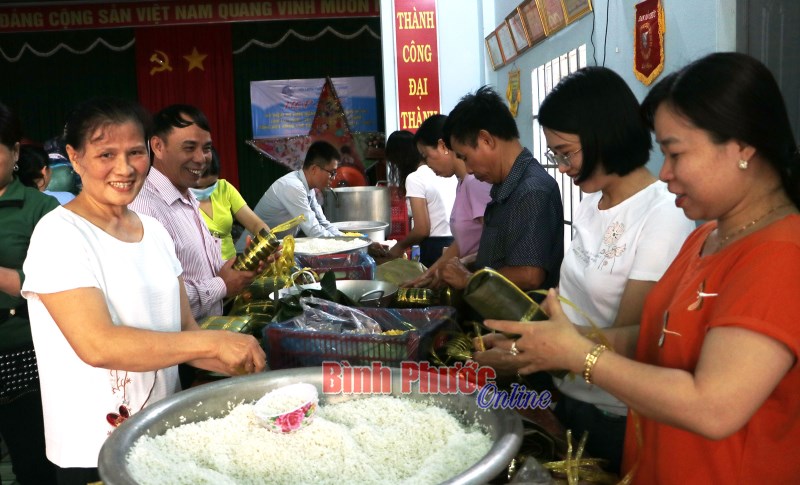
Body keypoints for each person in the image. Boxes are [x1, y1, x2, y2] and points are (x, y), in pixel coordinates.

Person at [475, 52, 800, 484]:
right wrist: (553, 341)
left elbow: (714, 406)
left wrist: (579, 355)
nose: (664, 173)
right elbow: (653, 338)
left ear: (742, 146)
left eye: (675, 152)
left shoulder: (780, 254)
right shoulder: (708, 239)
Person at [21, 97, 266, 484]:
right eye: (106, 154)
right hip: (93, 450)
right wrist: (212, 345)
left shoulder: (154, 232)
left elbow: (185, 334)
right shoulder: (59, 235)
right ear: (75, 156)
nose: (124, 168)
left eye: (135, 152)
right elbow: (98, 345)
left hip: (163, 434)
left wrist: (243, 369)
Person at [472, 67, 694, 474]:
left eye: (566, 152)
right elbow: (575, 304)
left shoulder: (663, 213)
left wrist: (526, 352)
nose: (561, 166)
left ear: (603, 136)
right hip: (564, 391)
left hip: (612, 413)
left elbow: (633, 338)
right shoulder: (593, 200)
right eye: (555, 154)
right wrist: (521, 335)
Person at [129, 104, 260, 322]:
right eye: (189, 148)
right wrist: (221, 285)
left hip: (209, 335)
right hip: (179, 350)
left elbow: (204, 269)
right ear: (158, 146)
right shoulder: (144, 209)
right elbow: (155, 299)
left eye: (206, 148)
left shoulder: (187, 195)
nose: (201, 159)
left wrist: (243, 266)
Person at [440, 86, 564, 291]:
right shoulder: (506, 186)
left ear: (486, 140)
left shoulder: (532, 191)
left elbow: (529, 274)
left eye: (465, 157)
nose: (468, 169)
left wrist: (469, 279)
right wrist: (469, 263)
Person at [0, 102, 58, 484]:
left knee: (34, 464)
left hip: (22, 353)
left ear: (16, 153)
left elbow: (48, 286)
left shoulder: (42, 209)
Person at [403, 114, 492, 288]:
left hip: (481, 283)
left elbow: (493, 242)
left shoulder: (474, 184)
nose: (427, 164)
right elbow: (462, 243)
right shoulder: (462, 183)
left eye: (426, 155)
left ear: (443, 146)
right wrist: (428, 274)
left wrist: (462, 265)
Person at [242, 140, 346, 241]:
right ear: (314, 169)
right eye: (332, 172)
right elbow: (314, 231)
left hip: (274, 252)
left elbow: (323, 223)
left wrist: (349, 239)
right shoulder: (293, 186)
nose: (333, 177)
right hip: (249, 254)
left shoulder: (309, 189)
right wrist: (344, 243)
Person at [385, 130, 458, 267]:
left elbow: (422, 229)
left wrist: (399, 247)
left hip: (435, 248)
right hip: (456, 244)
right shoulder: (448, 173)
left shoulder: (415, 178)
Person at [191, 147, 269, 260]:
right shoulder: (177, 198)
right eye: (197, 187)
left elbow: (256, 224)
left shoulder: (224, 188)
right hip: (198, 270)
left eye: (211, 185)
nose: (204, 190)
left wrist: (266, 241)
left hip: (230, 265)